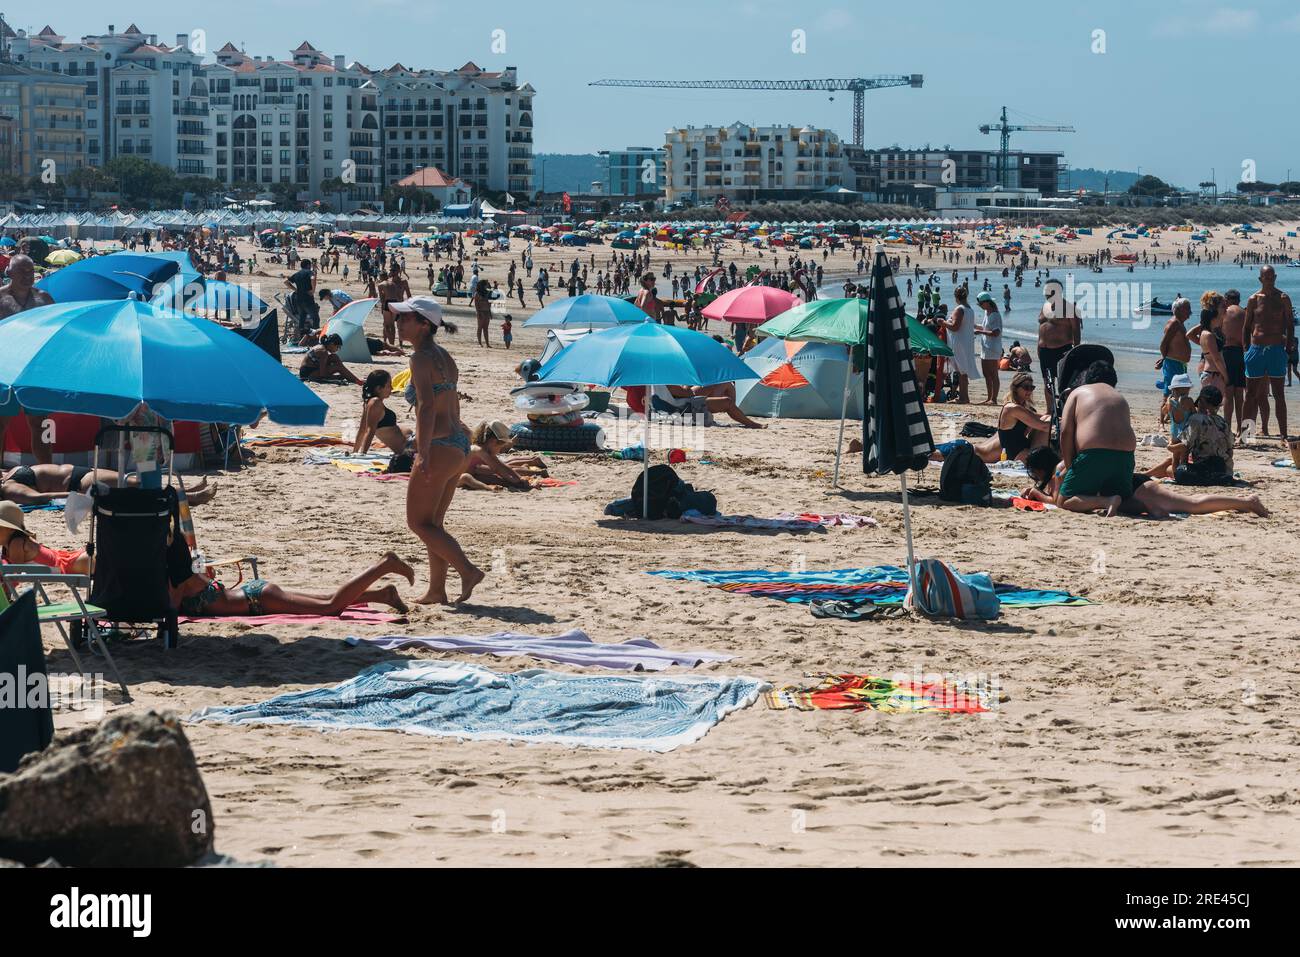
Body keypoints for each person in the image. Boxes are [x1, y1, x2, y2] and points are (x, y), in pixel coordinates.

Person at [391, 296, 483, 604]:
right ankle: (436, 590)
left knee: (417, 523)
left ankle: (468, 571)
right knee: (433, 525)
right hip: (458, 443)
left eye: (405, 318)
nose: (398, 322)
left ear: (424, 324)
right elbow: (450, 402)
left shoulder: (419, 359)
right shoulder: (444, 355)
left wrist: (423, 450)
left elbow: (427, 407)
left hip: (440, 445)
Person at [1022, 445, 1265, 518]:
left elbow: (1058, 500)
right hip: (1130, 487)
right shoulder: (1066, 462)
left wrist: (1036, 494)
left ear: (1041, 468)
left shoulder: (1058, 472)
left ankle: (1247, 501)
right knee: (1182, 505)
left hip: (1132, 487)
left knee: (1191, 504)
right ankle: (1156, 511)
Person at [173, 551, 414, 617]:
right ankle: (383, 595)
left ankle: (383, 566)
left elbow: (170, 611)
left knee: (330, 606)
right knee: (324, 598)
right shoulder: (188, 566)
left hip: (258, 600)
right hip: (253, 593)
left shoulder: (176, 576)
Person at [1057, 360, 1136, 516]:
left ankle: (1107, 501)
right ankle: (1148, 506)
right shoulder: (1120, 397)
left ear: (1088, 378)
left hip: (1093, 453)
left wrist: (1070, 465)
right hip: (1125, 456)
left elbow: (1065, 432)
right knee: (1125, 499)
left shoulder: (1077, 392)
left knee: (1064, 501)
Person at [0, 254, 56, 465]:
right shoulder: (1, 299)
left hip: (37, 370)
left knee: (42, 425)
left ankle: (48, 470)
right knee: (0, 424)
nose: (27, 275)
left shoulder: (45, 299)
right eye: (22, 271)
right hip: (5, 370)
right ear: (9, 273)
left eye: (30, 271)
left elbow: (55, 333)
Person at [1242, 265, 1294, 443]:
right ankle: (1245, 435)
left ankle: (1284, 436)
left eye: (1272, 277)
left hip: (1276, 350)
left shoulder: (1283, 298)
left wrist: (1288, 348)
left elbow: (1290, 324)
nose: (1269, 280)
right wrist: (1246, 349)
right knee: (1250, 394)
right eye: (1266, 277)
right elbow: (1247, 326)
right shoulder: (1253, 299)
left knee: (1279, 393)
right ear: (1260, 279)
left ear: (1276, 277)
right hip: (1256, 350)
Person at [0, 464, 216, 505]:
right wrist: (77, 497)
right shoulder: (9, 488)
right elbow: (39, 498)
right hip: (78, 484)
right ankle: (191, 497)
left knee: (137, 482)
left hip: (79, 473)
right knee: (137, 484)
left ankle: (187, 490)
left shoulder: (5, 477)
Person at [0, 501, 89, 574]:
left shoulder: (16, 544)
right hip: (68, 562)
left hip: (71, 564)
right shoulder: (10, 544)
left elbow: (15, 574)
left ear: (11, 529)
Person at [1037, 278, 1082, 412]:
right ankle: (1050, 410)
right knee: (1047, 382)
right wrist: (1038, 346)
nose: (1045, 294)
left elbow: (1076, 330)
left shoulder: (1069, 308)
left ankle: (1065, 410)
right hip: (1044, 351)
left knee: (1063, 383)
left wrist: (1076, 349)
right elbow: (1041, 327)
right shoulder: (1045, 307)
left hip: (1062, 350)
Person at [461, 420, 546, 491]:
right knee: (467, 478)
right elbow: (497, 468)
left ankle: (517, 484)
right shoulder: (478, 450)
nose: (499, 451)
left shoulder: (487, 451)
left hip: (474, 473)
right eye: (500, 447)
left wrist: (519, 478)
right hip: (457, 478)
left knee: (490, 477)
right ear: (493, 442)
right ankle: (488, 488)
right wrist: (517, 482)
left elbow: (503, 466)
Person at [648, 382, 766, 428]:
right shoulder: (665, 380)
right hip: (684, 408)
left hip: (679, 403)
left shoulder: (655, 380)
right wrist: (685, 383)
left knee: (721, 384)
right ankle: (751, 423)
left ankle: (733, 411)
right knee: (727, 401)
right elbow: (687, 393)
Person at [354, 370, 411, 455]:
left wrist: (355, 452)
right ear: (379, 388)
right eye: (389, 386)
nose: (392, 388)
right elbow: (370, 430)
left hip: (409, 443)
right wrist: (362, 454)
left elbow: (362, 429)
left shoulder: (369, 403)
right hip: (408, 447)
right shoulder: (375, 402)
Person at [942, 286, 976, 403]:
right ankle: (964, 396)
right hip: (967, 341)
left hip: (959, 342)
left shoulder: (960, 309)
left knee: (961, 370)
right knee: (963, 371)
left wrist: (943, 323)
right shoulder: (970, 309)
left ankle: (963, 397)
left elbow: (955, 327)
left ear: (956, 297)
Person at [1221, 289, 1248, 433]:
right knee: (1240, 394)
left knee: (1228, 393)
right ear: (1238, 299)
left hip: (1227, 352)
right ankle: (1242, 431)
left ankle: (1227, 428)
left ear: (1227, 299)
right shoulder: (1244, 313)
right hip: (1241, 353)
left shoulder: (1224, 312)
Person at [1157, 297, 1193, 396]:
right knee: (1169, 395)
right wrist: (1165, 359)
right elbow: (1163, 344)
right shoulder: (1174, 323)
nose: (1190, 312)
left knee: (1179, 394)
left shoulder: (1179, 323)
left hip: (1179, 364)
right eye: (1188, 309)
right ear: (1179, 310)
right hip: (1173, 364)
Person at [974, 291, 1004, 405]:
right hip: (986, 347)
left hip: (992, 347)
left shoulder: (995, 314)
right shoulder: (987, 313)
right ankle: (989, 397)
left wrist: (980, 331)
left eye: (981, 304)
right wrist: (975, 326)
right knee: (986, 373)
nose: (981, 306)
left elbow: (996, 332)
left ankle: (994, 398)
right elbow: (986, 327)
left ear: (987, 302)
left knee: (993, 374)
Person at [377, 262, 412, 351]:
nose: (392, 272)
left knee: (399, 326)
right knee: (386, 325)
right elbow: (383, 296)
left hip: (401, 306)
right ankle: (386, 343)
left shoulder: (403, 282)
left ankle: (400, 345)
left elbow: (409, 295)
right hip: (390, 305)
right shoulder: (389, 282)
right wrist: (382, 307)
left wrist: (410, 307)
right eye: (391, 270)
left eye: (394, 270)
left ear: (398, 271)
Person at [472, 279, 494, 347]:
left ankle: (487, 343)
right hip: (481, 312)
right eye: (486, 284)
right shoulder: (477, 294)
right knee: (480, 328)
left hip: (486, 312)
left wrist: (490, 313)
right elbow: (476, 305)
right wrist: (479, 313)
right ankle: (480, 343)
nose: (486, 286)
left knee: (486, 328)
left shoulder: (486, 293)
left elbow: (487, 303)